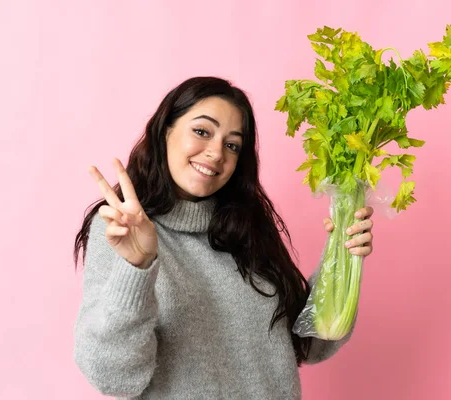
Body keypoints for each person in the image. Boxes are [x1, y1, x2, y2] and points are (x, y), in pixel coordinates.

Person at [72, 76, 375, 399]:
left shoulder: (246, 229)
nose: (216, 153)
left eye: (232, 145)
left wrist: (342, 256)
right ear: (165, 131)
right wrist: (136, 268)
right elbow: (113, 377)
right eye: (202, 131)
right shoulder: (120, 232)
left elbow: (311, 345)